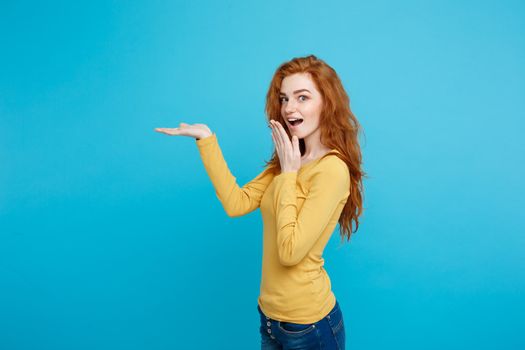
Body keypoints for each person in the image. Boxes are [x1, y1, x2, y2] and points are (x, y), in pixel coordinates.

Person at [155, 54, 366, 350]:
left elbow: (290, 252)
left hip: (309, 327)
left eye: (302, 97)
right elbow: (235, 203)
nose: (290, 108)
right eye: (284, 99)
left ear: (327, 103)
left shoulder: (331, 170)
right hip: (270, 321)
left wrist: (289, 175)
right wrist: (206, 140)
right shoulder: (287, 161)